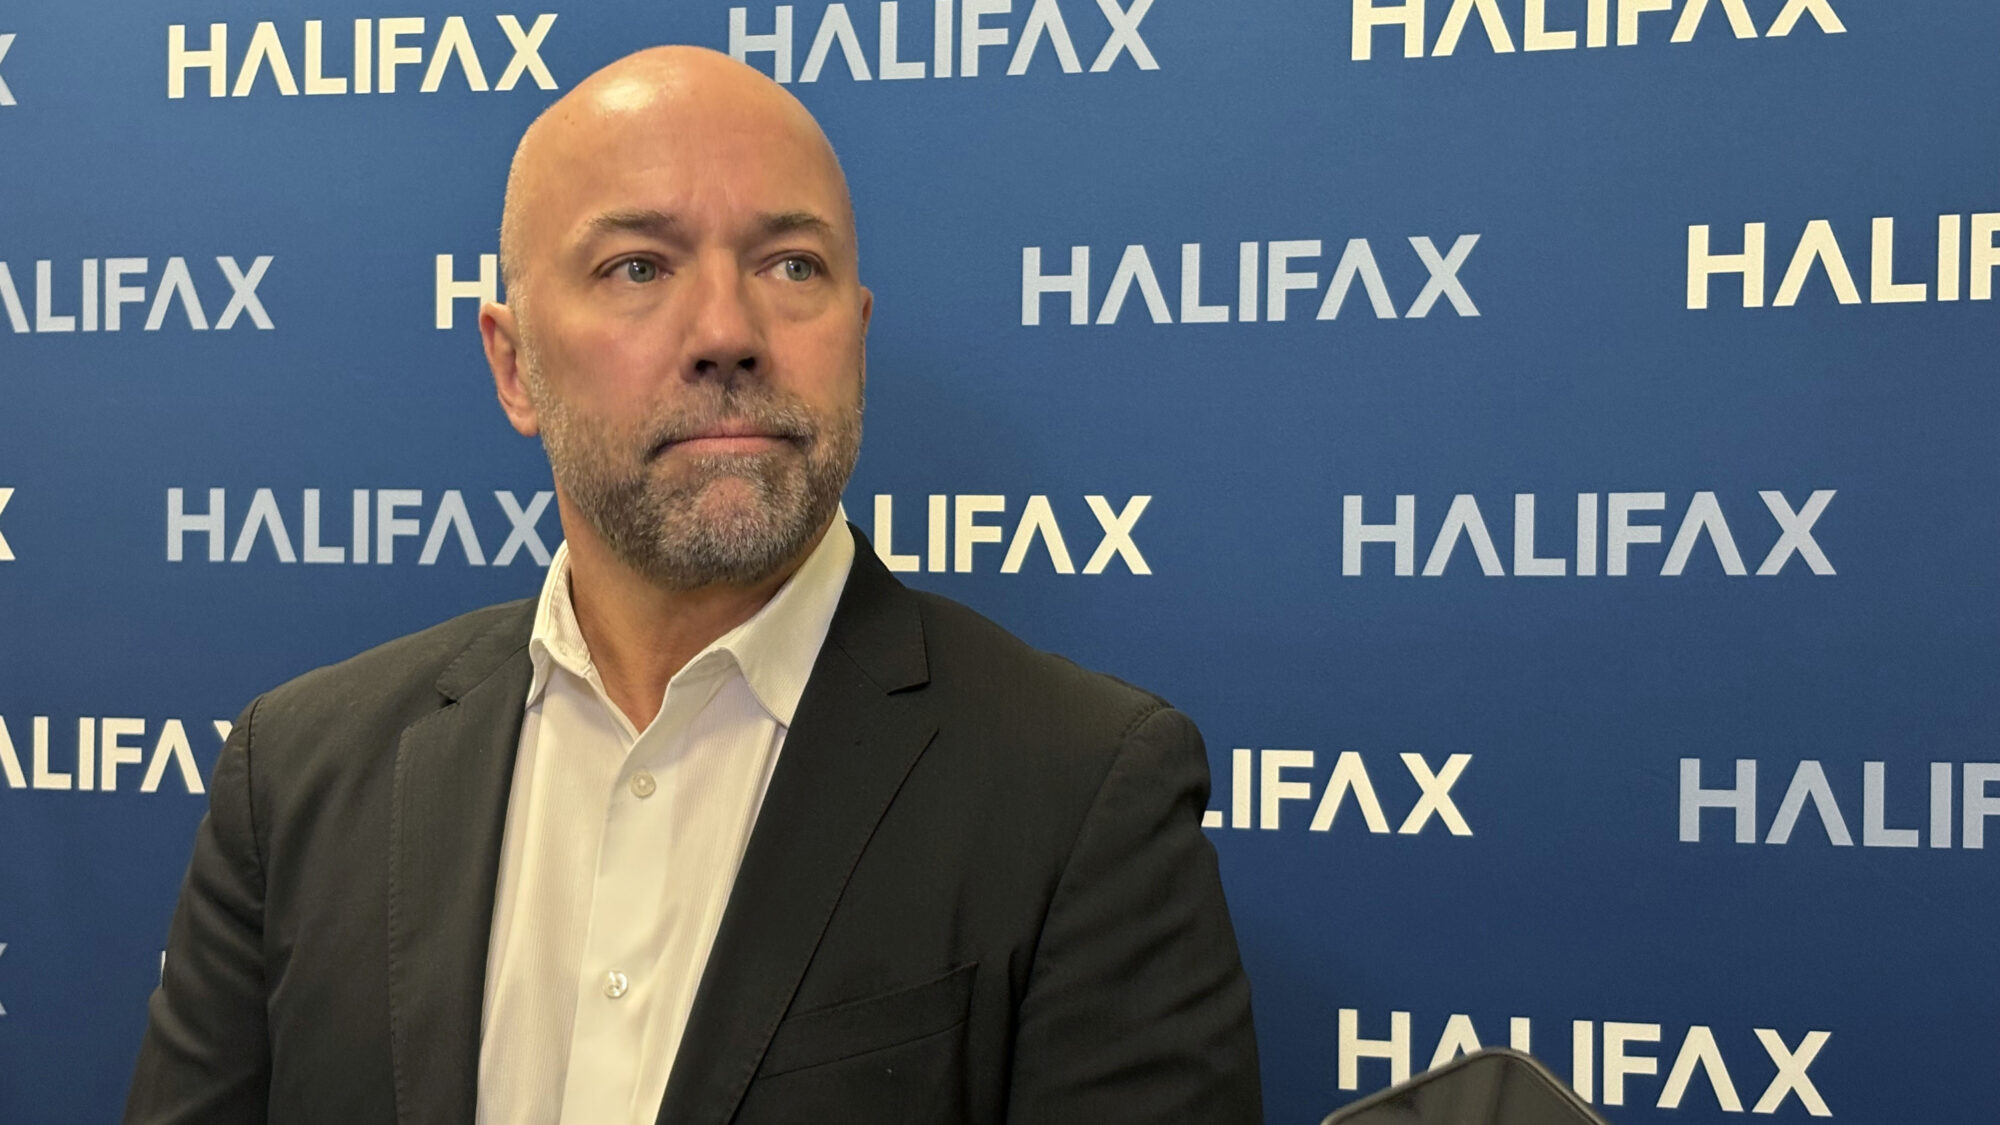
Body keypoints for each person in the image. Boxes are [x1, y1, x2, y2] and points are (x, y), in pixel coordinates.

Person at [124, 45, 1261, 1125]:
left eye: (790, 266)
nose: (727, 331)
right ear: (514, 365)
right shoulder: (299, 776)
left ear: (854, 338)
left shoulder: (1081, 793)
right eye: (637, 267)